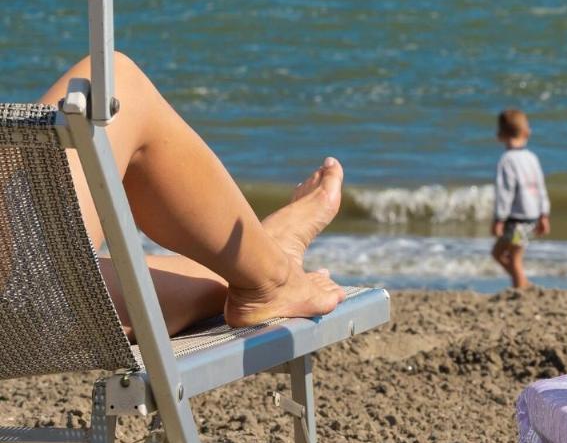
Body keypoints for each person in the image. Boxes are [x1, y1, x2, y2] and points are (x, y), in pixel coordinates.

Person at [40, 52, 346, 338]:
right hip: (31, 282)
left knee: (217, 284)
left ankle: (263, 259)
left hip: (27, 293)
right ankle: (273, 278)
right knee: (113, 82)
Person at [490, 109, 550, 289]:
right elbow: (540, 187)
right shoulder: (531, 157)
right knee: (499, 253)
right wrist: (544, 214)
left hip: (516, 220)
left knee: (513, 258)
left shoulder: (507, 159)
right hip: (531, 217)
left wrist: (499, 218)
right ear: (527, 132)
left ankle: (520, 288)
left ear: (500, 135)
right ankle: (523, 282)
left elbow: (505, 191)